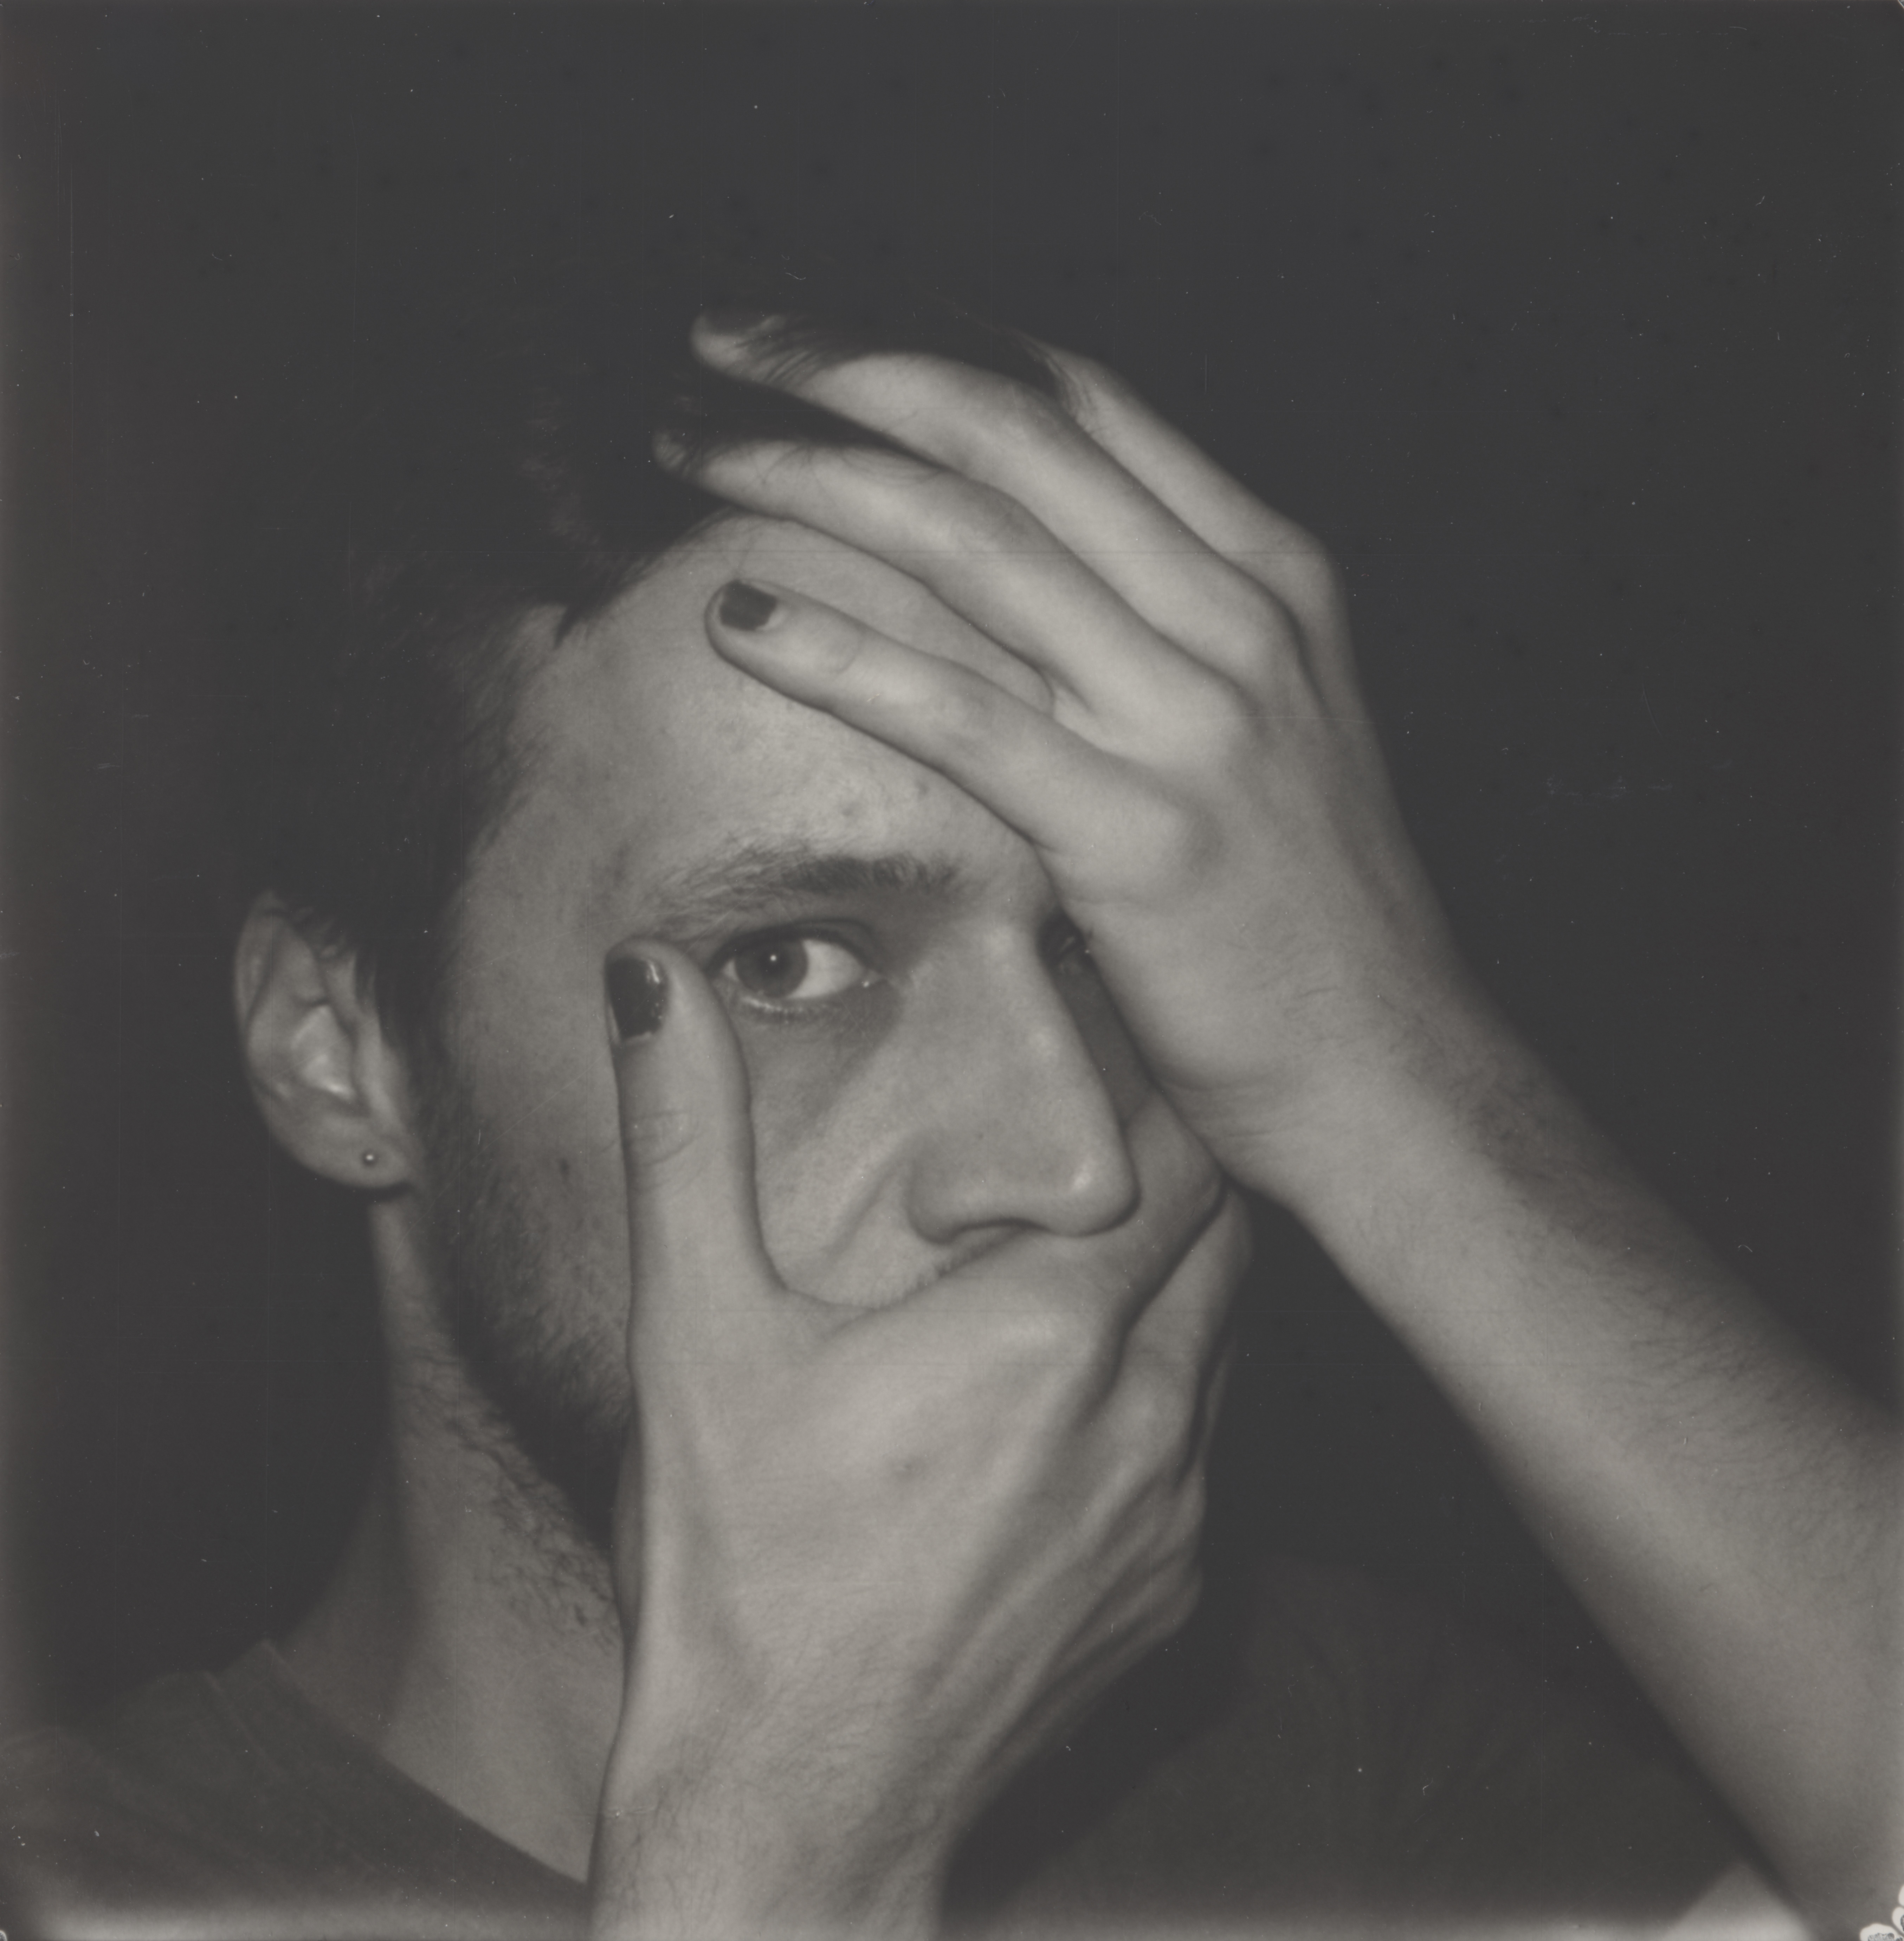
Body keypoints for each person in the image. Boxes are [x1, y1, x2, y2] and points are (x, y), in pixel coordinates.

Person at [0, 255, 1895, 1941]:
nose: (1070, 1163)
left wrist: (1403, 1079)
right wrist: (784, 1852)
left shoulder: (1340, 1769)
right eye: (789, 963)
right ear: (336, 1047)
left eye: (1106, 949)